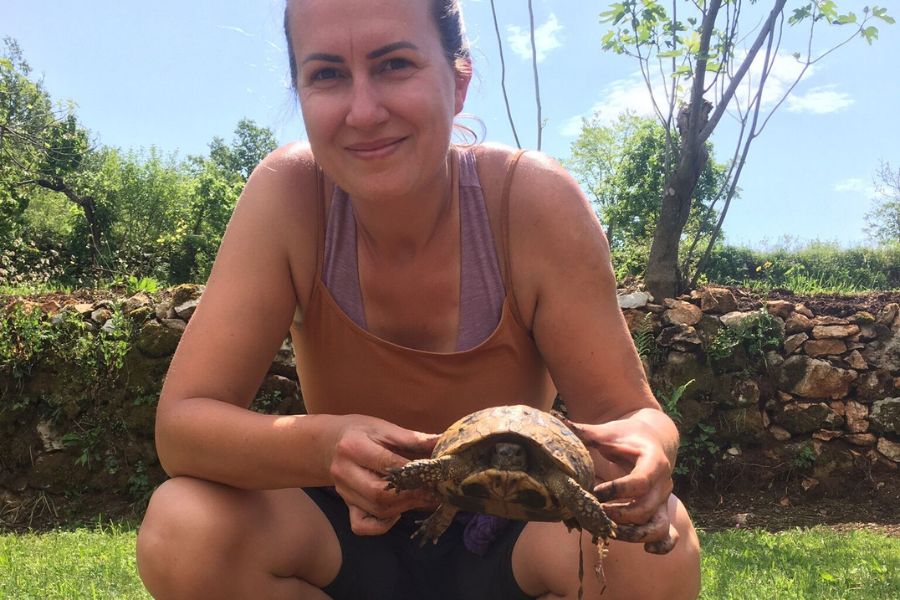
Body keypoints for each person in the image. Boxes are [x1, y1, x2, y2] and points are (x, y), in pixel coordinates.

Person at [135, 0, 701, 598]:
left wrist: (650, 445)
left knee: (656, 557)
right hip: (340, 530)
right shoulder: (289, 197)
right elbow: (182, 430)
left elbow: (629, 415)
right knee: (184, 528)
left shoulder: (532, 202)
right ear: (299, 92)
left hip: (512, 533)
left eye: (394, 64)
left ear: (458, 83)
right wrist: (327, 446)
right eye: (326, 74)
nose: (363, 111)